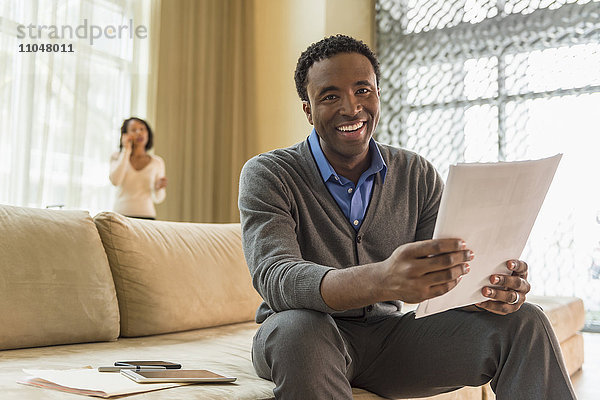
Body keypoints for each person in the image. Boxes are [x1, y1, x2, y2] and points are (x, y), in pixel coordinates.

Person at [238, 35, 575, 399]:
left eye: (363, 90)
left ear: (378, 95)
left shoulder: (416, 173)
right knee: (298, 330)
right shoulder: (268, 174)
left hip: (389, 339)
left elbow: (452, 269)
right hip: (305, 332)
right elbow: (276, 277)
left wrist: (490, 287)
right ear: (308, 109)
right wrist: (381, 280)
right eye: (331, 96)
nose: (352, 109)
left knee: (526, 321)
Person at [109, 117, 167, 219]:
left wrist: (158, 188)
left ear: (147, 133)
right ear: (125, 135)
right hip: (121, 215)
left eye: (142, 129)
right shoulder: (117, 156)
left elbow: (158, 198)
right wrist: (126, 150)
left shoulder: (157, 162)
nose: (139, 133)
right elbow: (115, 181)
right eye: (134, 130)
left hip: (147, 216)